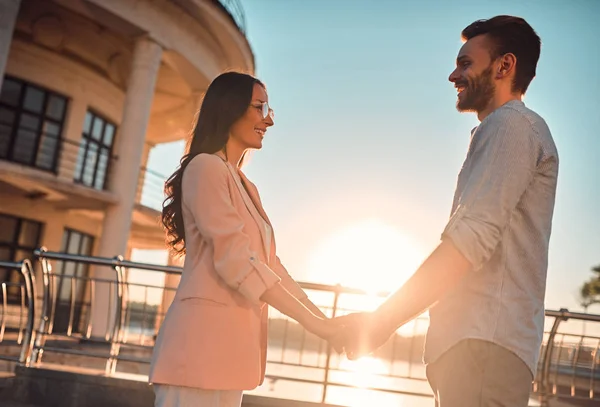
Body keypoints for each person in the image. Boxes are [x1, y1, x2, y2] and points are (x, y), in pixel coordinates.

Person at [333, 15, 559, 407]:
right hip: (476, 348)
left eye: (466, 63)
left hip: (483, 347)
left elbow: (468, 241)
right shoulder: (503, 130)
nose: (453, 75)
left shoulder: (512, 126)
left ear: (505, 66)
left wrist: (381, 321)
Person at [149, 72, 340, 407]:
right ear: (229, 108)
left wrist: (325, 322)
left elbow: (270, 266)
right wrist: (316, 325)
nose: (268, 120)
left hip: (227, 357)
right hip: (198, 350)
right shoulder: (205, 168)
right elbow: (237, 260)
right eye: (259, 107)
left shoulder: (244, 185)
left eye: (269, 110)